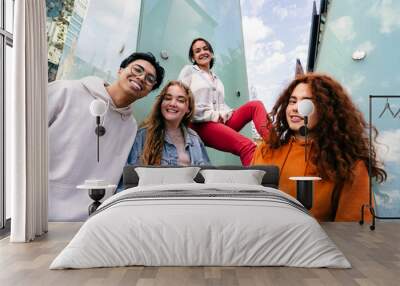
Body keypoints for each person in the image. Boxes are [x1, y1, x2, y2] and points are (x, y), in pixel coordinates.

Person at [252, 73, 386, 221]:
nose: (296, 108)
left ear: (327, 109)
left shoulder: (349, 166)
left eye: (306, 102)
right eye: (292, 101)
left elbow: (355, 233)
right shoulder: (265, 151)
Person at [48, 52, 165, 221]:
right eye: (137, 69)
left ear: (148, 92)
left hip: (91, 220)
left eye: (149, 79)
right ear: (120, 70)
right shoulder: (67, 91)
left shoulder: (131, 127)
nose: (141, 78)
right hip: (38, 213)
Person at [178, 38, 270, 166]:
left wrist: (228, 112)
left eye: (205, 49)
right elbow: (180, 99)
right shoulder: (189, 71)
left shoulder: (217, 79)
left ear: (211, 53)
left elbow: (220, 105)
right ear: (193, 57)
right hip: (199, 123)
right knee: (247, 146)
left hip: (217, 121)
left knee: (255, 105)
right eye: (197, 51)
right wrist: (214, 115)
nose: (202, 52)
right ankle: (256, 184)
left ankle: (275, 143)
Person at [117, 81, 210, 192]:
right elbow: (128, 184)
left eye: (180, 100)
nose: (172, 103)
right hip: (155, 204)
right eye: (168, 98)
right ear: (161, 103)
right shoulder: (142, 136)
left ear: (188, 109)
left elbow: (207, 179)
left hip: (190, 202)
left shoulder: (194, 139)